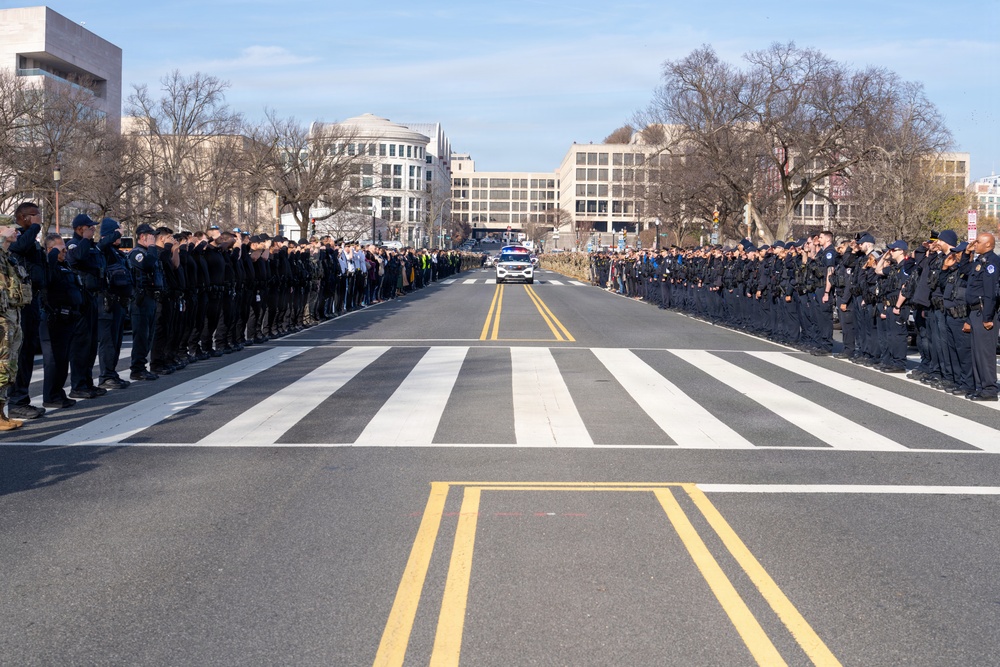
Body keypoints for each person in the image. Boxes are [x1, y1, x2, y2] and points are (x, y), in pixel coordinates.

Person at [7, 202, 46, 420]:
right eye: (35, 215)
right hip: (21, 304)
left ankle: (22, 399)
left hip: (34, 300)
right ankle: (16, 401)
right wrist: (33, 228)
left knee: (29, 351)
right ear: (24, 217)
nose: (39, 219)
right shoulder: (19, 236)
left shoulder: (30, 237)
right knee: (20, 353)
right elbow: (19, 248)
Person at [65, 214, 109, 399]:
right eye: (90, 227)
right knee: (81, 345)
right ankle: (78, 385)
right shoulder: (74, 244)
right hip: (80, 299)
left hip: (92, 296)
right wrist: (84, 239)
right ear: (81, 228)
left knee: (91, 345)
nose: (93, 230)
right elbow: (78, 258)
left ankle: (87, 382)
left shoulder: (91, 245)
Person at [40, 234, 82, 408]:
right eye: (61, 249)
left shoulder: (65, 266)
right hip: (53, 320)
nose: (65, 251)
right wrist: (51, 256)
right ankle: (50, 396)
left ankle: (58, 393)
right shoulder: (48, 266)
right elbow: (47, 279)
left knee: (63, 360)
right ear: (50, 250)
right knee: (53, 361)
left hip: (68, 318)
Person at [963, 232, 1000, 401]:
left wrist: (988, 317)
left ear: (988, 245)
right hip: (974, 312)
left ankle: (990, 389)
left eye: (978, 242)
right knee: (977, 353)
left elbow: (990, 292)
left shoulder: (992, 262)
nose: (975, 243)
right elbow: (964, 270)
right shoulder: (979, 261)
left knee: (985, 353)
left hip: (984, 312)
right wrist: (966, 253)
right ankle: (981, 387)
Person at [97, 218, 133, 390]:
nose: (120, 236)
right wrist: (115, 233)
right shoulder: (104, 250)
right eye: (117, 232)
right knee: (109, 342)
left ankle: (111, 373)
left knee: (116, 341)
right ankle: (106, 376)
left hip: (119, 303)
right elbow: (102, 244)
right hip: (107, 304)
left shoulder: (116, 252)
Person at [0, 225, 29, 430]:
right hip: (2, 318)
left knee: (10, 367)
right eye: (11, 227)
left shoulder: (7, 257)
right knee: (2, 366)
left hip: (13, 315)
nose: (16, 231)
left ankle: (2, 413)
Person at [128, 224, 164, 381]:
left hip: (151, 298)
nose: (153, 239)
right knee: (141, 336)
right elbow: (146, 264)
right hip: (140, 300)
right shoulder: (137, 253)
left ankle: (142, 366)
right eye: (151, 236)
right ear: (142, 237)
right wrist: (151, 247)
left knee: (148, 336)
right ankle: (137, 369)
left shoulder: (149, 252)